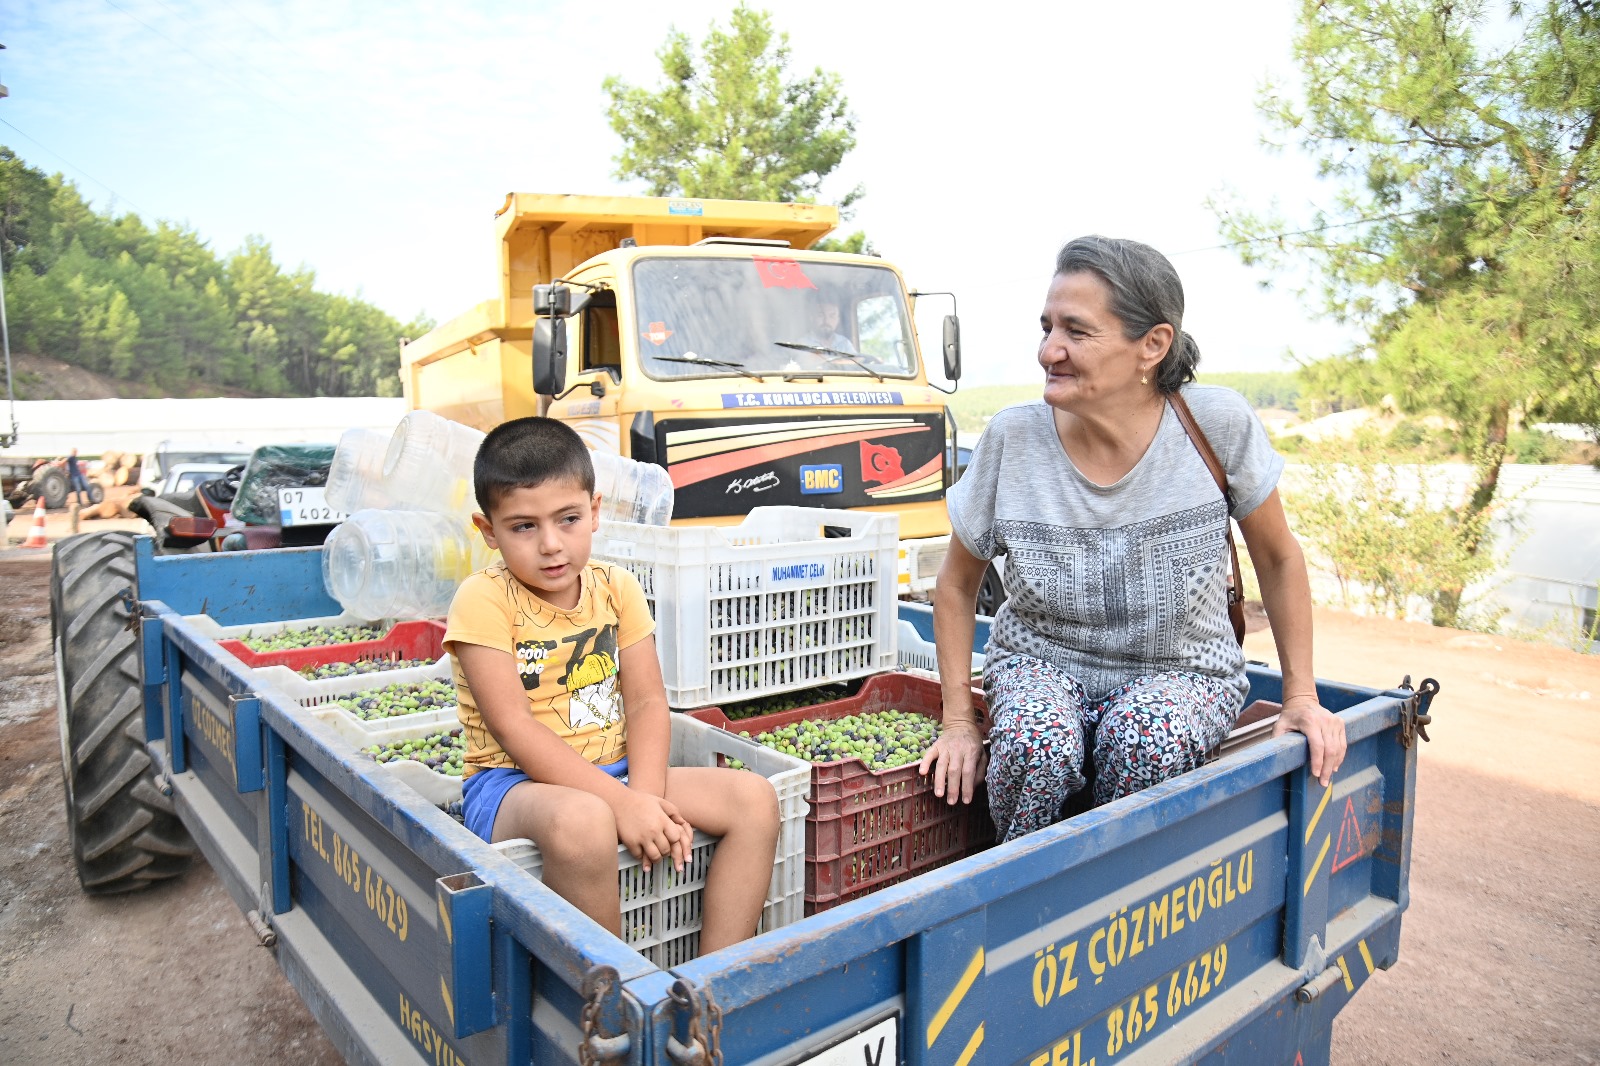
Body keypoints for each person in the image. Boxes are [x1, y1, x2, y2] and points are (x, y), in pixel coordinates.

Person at [918, 235, 1346, 844]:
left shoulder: (1215, 424)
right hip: (1042, 662)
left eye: (1076, 331)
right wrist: (958, 720)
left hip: (1184, 670)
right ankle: (1027, 903)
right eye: (1045, 328)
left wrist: (1300, 694)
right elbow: (957, 587)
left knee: (1147, 738)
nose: (1048, 351)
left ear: (1152, 344)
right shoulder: (1014, 439)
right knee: (1035, 745)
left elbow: (1278, 558)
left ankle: (1118, 909)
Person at [445, 418, 779, 949]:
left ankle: (712, 985)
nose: (551, 545)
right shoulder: (483, 600)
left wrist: (642, 797)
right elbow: (514, 728)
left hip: (618, 773)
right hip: (513, 787)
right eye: (523, 527)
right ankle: (618, 1001)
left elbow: (647, 702)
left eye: (568, 519)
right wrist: (621, 806)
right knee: (584, 820)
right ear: (489, 531)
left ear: (595, 512)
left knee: (755, 800)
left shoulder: (616, 588)